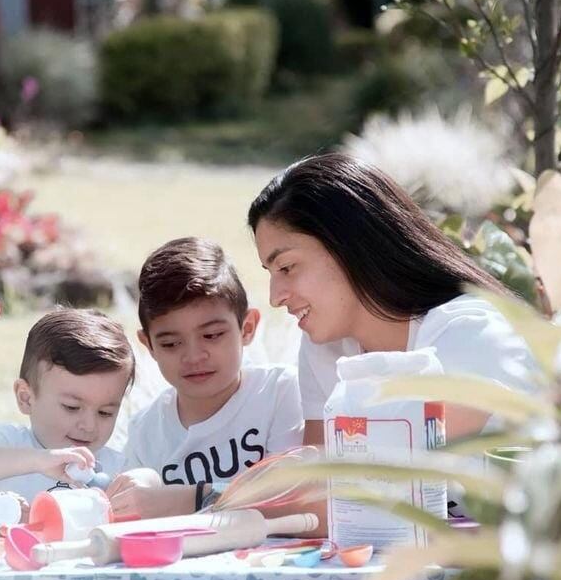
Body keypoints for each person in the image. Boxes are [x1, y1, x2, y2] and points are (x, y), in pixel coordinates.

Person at [249, 153, 537, 447]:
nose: (275, 297)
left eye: (287, 267)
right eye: (271, 272)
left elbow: (418, 466)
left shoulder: (471, 337)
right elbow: (318, 466)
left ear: (350, 245)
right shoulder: (325, 347)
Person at [108, 237, 304, 520]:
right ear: (148, 345)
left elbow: (291, 498)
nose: (193, 356)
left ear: (247, 328)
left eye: (212, 335)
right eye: (171, 344)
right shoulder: (146, 432)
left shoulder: (280, 393)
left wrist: (190, 499)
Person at [0, 308, 134, 509]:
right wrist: (39, 460)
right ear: (26, 398)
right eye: (72, 407)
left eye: (105, 412)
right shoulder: (10, 443)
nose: (89, 426)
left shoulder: (114, 469)